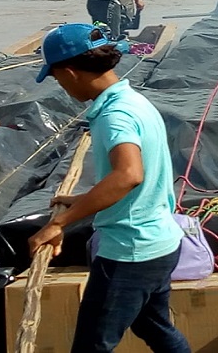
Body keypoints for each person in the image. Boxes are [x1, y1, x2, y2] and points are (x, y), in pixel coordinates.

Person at [29, 23, 190, 353]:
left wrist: (61, 222)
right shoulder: (134, 101)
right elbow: (135, 182)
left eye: (57, 78)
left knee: (92, 345)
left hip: (130, 251)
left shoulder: (114, 115)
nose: (61, 86)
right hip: (160, 241)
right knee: (154, 327)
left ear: (71, 71)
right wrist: (82, 200)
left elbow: (129, 175)